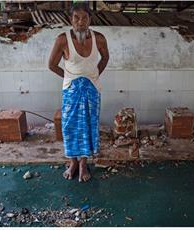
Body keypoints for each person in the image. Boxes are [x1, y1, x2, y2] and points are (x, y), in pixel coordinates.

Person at [48, 2, 109, 182]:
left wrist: (94, 75)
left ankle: (83, 163)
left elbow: (105, 58)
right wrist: (69, 77)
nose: (80, 22)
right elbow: (51, 65)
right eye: (76, 18)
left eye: (84, 18)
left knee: (88, 126)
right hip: (71, 91)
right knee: (70, 127)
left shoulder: (99, 38)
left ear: (90, 19)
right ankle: (73, 162)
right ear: (71, 20)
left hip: (92, 90)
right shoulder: (62, 39)